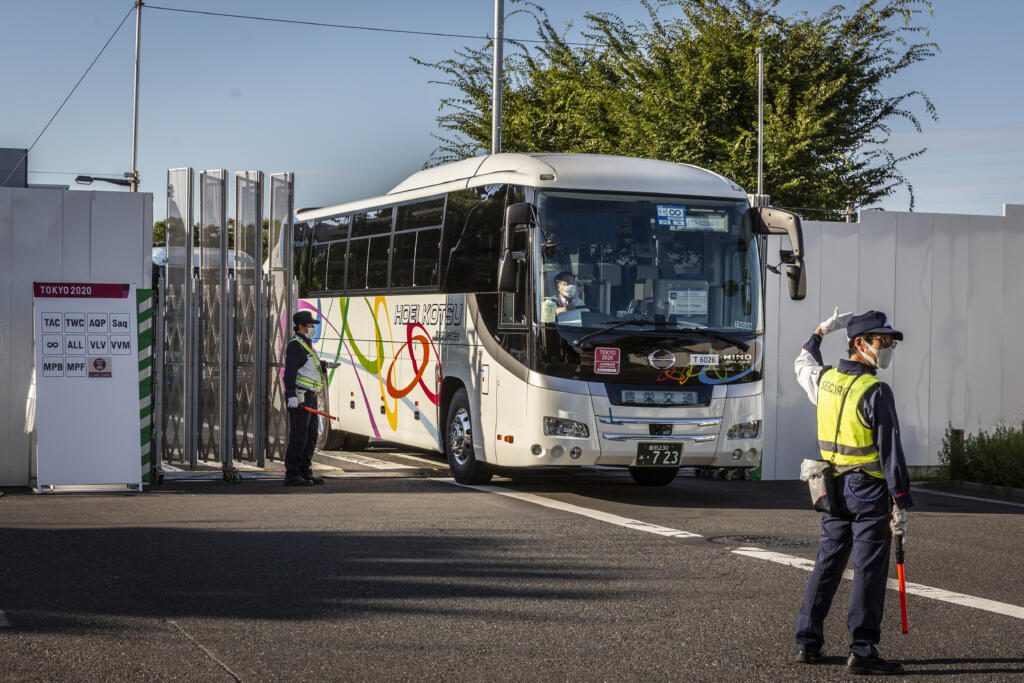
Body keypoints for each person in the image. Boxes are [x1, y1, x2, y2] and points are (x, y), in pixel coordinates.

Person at [793, 309, 913, 675]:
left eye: (890, 342)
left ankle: (807, 642)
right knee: (868, 571)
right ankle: (862, 649)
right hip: (868, 491)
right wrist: (901, 502)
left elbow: (802, 361)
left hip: (830, 487)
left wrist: (820, 331)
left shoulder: (825, 379)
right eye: (882, 341)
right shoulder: (876, 390)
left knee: (827, 562)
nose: (888, 348)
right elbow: (890, 451)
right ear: (860, 344)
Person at [282, 310, 332, 486]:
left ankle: (305, 470)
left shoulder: (307, 343)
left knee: (311, 435)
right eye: (311, 325)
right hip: (300, 396)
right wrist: (291, 396)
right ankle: (292, 473)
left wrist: (323, 365)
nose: (313, 328)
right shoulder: (295, 345)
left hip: (310, 396)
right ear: (302, 327)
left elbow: (307, 367)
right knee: (299, 436)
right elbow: (289, 373)